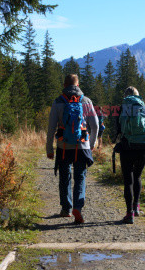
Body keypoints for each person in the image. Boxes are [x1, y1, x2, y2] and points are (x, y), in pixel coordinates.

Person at [46, 74, 99, 224]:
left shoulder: (58, 102)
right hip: (82, 146)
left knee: (64, 177)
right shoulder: (86, 101)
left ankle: (66, 209)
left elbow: (51, 127)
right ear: (78, 84)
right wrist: (92, 144)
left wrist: (49, 148)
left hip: (64, 146)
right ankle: (78, 207)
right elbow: (94, 125)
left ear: (64, 85)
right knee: (80, 177)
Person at [115, 86, 145, 224]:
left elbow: (118, 128)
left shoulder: (124, 107)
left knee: (128, 180)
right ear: (138, 95)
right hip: (143, 147)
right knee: (137, 176)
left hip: (127, 147)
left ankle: (129, 214)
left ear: (125, 96)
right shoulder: (143, 107)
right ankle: (136, 207)